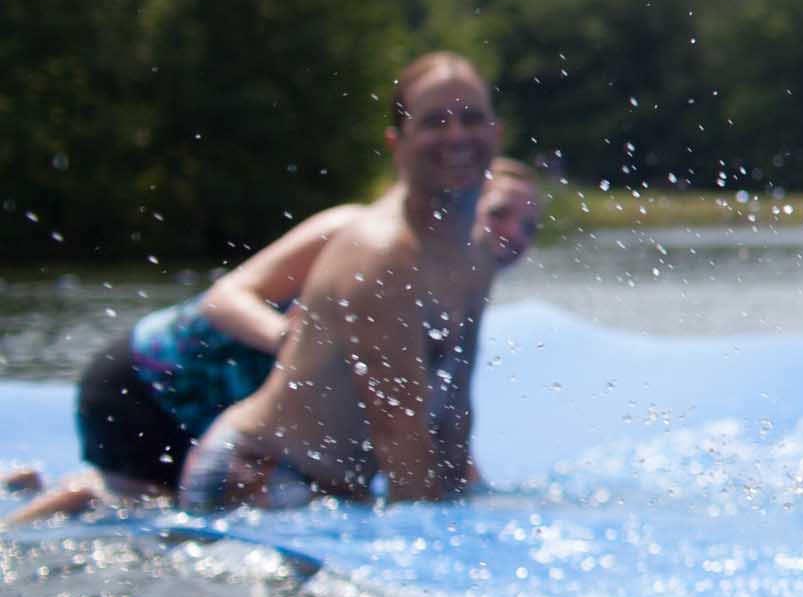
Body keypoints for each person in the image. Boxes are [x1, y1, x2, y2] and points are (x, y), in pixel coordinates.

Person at [5, 157, 550, 527]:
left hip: (235, 414)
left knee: (181, 515)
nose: (514, 235)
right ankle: (38, 519)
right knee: (150, 509)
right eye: (500, 212)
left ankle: (33, 483)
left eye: (530, 227)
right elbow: (225, 297)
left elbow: (420, 409)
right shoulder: (361, 233)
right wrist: (292, 341)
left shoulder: (455, 289)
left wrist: (477, 499)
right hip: (154, 382)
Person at [176, 54, 511, 512]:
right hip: (258, 469)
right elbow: (399, 433)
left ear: (497, 133)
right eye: (435, 122)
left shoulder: (476, 252)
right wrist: (438, 536)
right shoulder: (386, 255)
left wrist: (464, 502)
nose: (457, 135)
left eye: (471, 118)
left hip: (336, 488)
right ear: (397, 143)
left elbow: (455, 409)